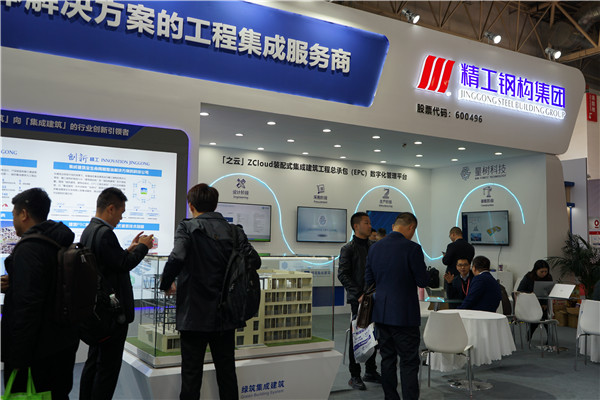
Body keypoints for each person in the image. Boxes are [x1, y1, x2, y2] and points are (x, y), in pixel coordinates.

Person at [159, 184, 261, 400]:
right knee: (227, 373)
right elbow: (255, 260)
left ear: (191, 205)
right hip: (226, 313)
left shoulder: (187, 227)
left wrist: (166, 283)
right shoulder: (234, 231)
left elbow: (177, 257)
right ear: (215, 205)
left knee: (191, 375)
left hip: (193, 314)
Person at [1, 188, 79, 400]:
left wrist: (17, 358)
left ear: (24, 214)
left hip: (37, 352)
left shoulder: (30, 248)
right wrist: (16, 283)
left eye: (13, 215)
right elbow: (49, 285)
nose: (13, 221)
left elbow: (28, 307)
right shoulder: (59, 241)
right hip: (62, 343)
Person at [79, 187, 153, 400]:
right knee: (107, 370)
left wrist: (128, 250)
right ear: (111, 208)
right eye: (121, 212)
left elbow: (109, 262)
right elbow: (123, 264)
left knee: (93, 363)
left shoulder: (90, 230)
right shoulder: (105, 233)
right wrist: (143, 247)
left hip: (97, 313)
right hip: (111, 315)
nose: (121, 218)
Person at [364, 212, 429, 400]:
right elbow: (422, 281)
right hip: (404, 315)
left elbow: (369, 280)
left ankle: (390, 397)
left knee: (387, 360)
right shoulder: (413, 248)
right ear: (411, 227)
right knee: (408, 361)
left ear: (394, 226)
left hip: (381, 314)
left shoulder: (374, 248)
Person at [338, 212, 380, 390]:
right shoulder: (348, 248)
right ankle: (354, 375)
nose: (369, 226)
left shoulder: (374, 246)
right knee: (357, 335)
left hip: (375, 297)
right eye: (366, 223)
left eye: (369, 223)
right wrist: (358, 294)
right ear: (356, 226)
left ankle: (370, 370)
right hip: (359, 300)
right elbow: (343, 274)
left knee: (373, 335)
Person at [517, 260, 553, 339]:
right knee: (541, 316)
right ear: (536, 270)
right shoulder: (528, 277)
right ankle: (549, 338)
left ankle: (547, 337)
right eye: (541, 272)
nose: (544, 274)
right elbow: (520, 290)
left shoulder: (548, 277)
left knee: (544, 315)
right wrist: (530, 293)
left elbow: (548, 292)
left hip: (543, 303)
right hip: (530, 303)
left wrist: (545, 303)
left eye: (546, 271)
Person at [442, 227, 474, 291]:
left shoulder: (451, 246)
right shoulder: (470, 247)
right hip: (466, 277)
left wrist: (445, 256)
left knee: (451, 295)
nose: (450, 238)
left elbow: (446, 261)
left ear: (453, 234)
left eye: (450, 236)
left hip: (452, 277)